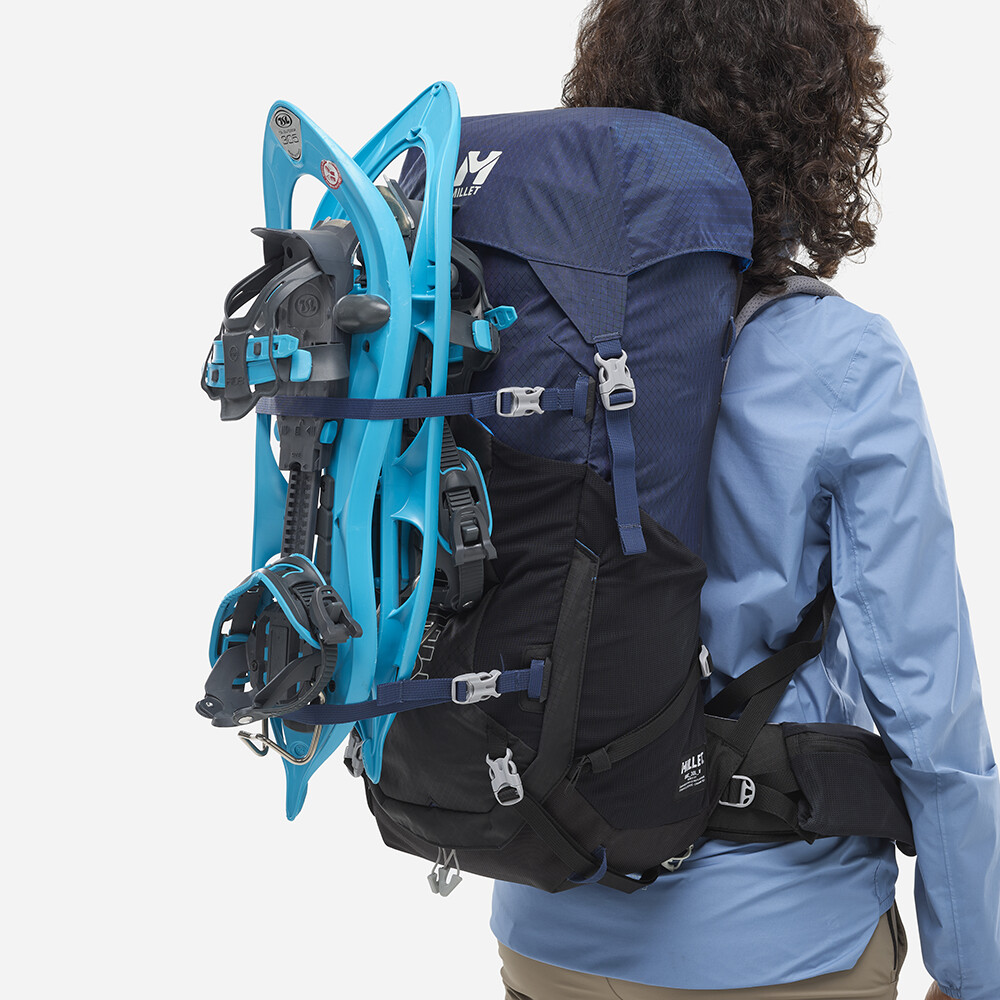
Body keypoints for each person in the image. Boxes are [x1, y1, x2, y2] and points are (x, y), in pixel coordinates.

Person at [491, 2, 1000, 998]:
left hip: (546, 929)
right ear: (820, 123)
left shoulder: (523, 340)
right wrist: (975, 968)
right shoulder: (841, 357)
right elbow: (928, 706)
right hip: (779, 946)